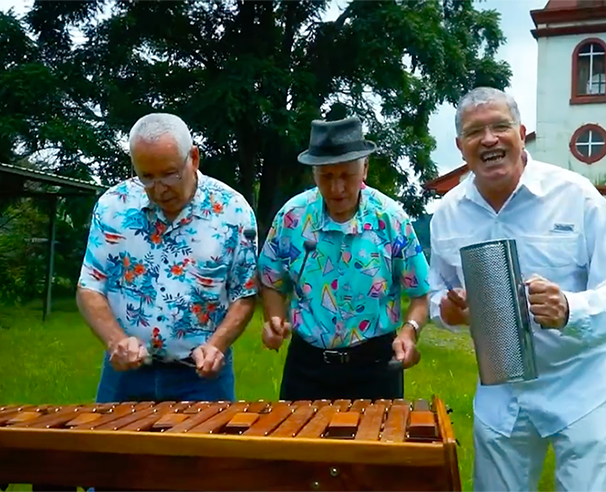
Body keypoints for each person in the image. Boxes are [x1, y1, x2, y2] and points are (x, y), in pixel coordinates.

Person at [428, 87, 606, 491]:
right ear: (461, 147)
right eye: (476, 132)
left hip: (583, 385)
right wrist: (450, 312)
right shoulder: (447, 215)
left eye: (501, 126)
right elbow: (436, 295)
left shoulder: (574, 194)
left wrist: (571, 307)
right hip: (501, 390)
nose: (490, 139)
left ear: (521, 132)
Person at [76, 112, 259, 403]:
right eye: (147, 177)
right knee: (113, 449)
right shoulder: (113, 207)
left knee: (205, 450)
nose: (159, 188)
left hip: (202, 378)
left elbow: (244, 294)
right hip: (125, 375)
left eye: (170, 173)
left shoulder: (233, 212)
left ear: (194, 158)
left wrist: (218, 345)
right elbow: (90, 287)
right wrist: (116, 341)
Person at [257, 115, 430, 401]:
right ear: (314, 173)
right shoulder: (292, 218)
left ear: (365, 168)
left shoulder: (391, 219)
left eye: (346, 176)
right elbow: (272, 281)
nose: (337, 189)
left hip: (375, 368)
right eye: (326, 176)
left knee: (373, 446)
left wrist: (409, 332)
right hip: (307, 367)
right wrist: (274, 319)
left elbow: (420, 294)